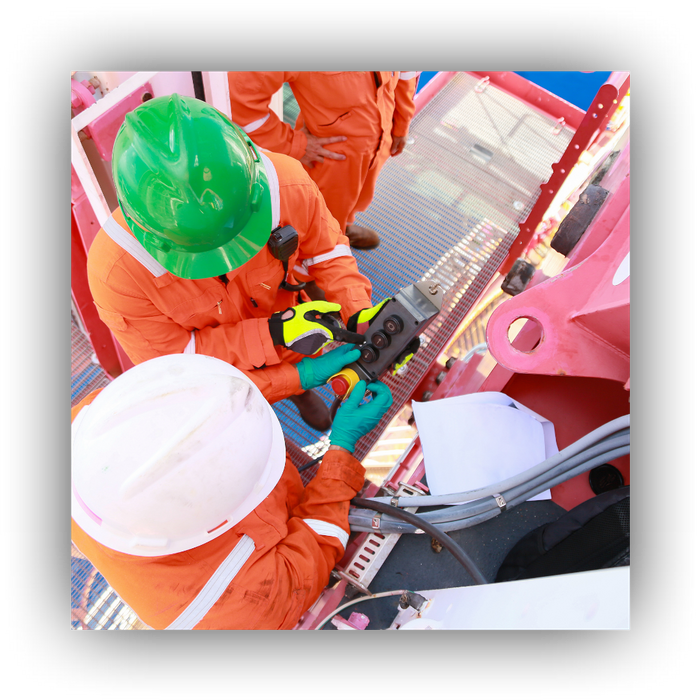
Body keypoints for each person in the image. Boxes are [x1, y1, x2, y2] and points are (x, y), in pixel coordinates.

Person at [88, 93, 389, 432]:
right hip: (224, 370)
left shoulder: (286, 183)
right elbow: (184, 366)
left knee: (294, 357)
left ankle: (298, 391)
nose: (226, 263)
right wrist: (288, 361)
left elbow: (328, 250)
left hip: (286, 317)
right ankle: (294, 389)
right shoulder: (116, 275)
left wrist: (358, 311)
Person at [71, 352, 393, 630]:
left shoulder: (98, 424)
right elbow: (317, 546)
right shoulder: (231, 610)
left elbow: (209, 392)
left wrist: (296, 376)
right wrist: (341, 450)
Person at [228, 71, 420, 251]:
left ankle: (343, 227)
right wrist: (294, 144)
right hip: (328, 156)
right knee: (312, 218)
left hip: (380, 142)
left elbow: (407, 74)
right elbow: (240, 100)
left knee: (352, 200)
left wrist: (402, 123)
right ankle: (305, 276)